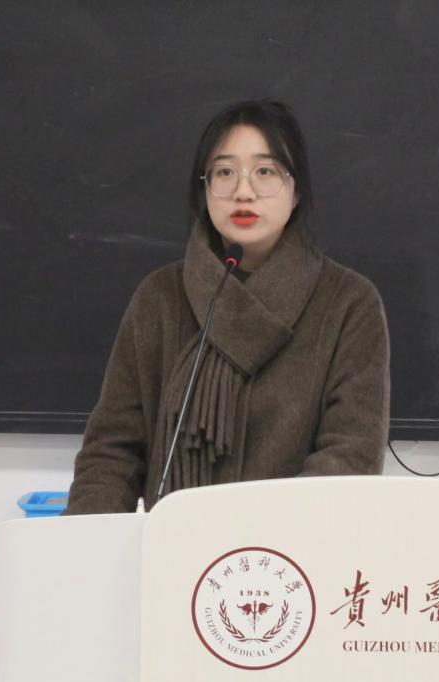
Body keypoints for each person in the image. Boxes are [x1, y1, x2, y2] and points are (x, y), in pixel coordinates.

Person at [63, 99, 389, 514]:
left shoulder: (349, 303)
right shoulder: (160, 296)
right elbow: (111, 453)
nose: (243, 191)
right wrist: (87, 539)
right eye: (224, 172)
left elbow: (349, 457)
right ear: (205, 189)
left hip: (291, 546)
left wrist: (244, 538)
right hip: (174, 542)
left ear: (296, 191)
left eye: (265, 171)